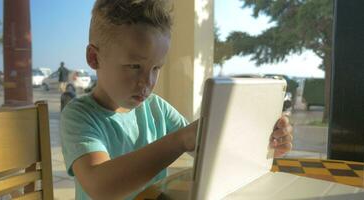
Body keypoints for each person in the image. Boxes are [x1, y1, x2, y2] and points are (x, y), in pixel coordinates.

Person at [60, 1, 293, 199]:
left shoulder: (157, 108)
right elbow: (101, 186)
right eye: (134, 66)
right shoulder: (79, 115)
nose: (147, 82)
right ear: (94, 57)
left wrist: (264, 139)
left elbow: (205, 150)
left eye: (156, 68)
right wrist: (179, 140)